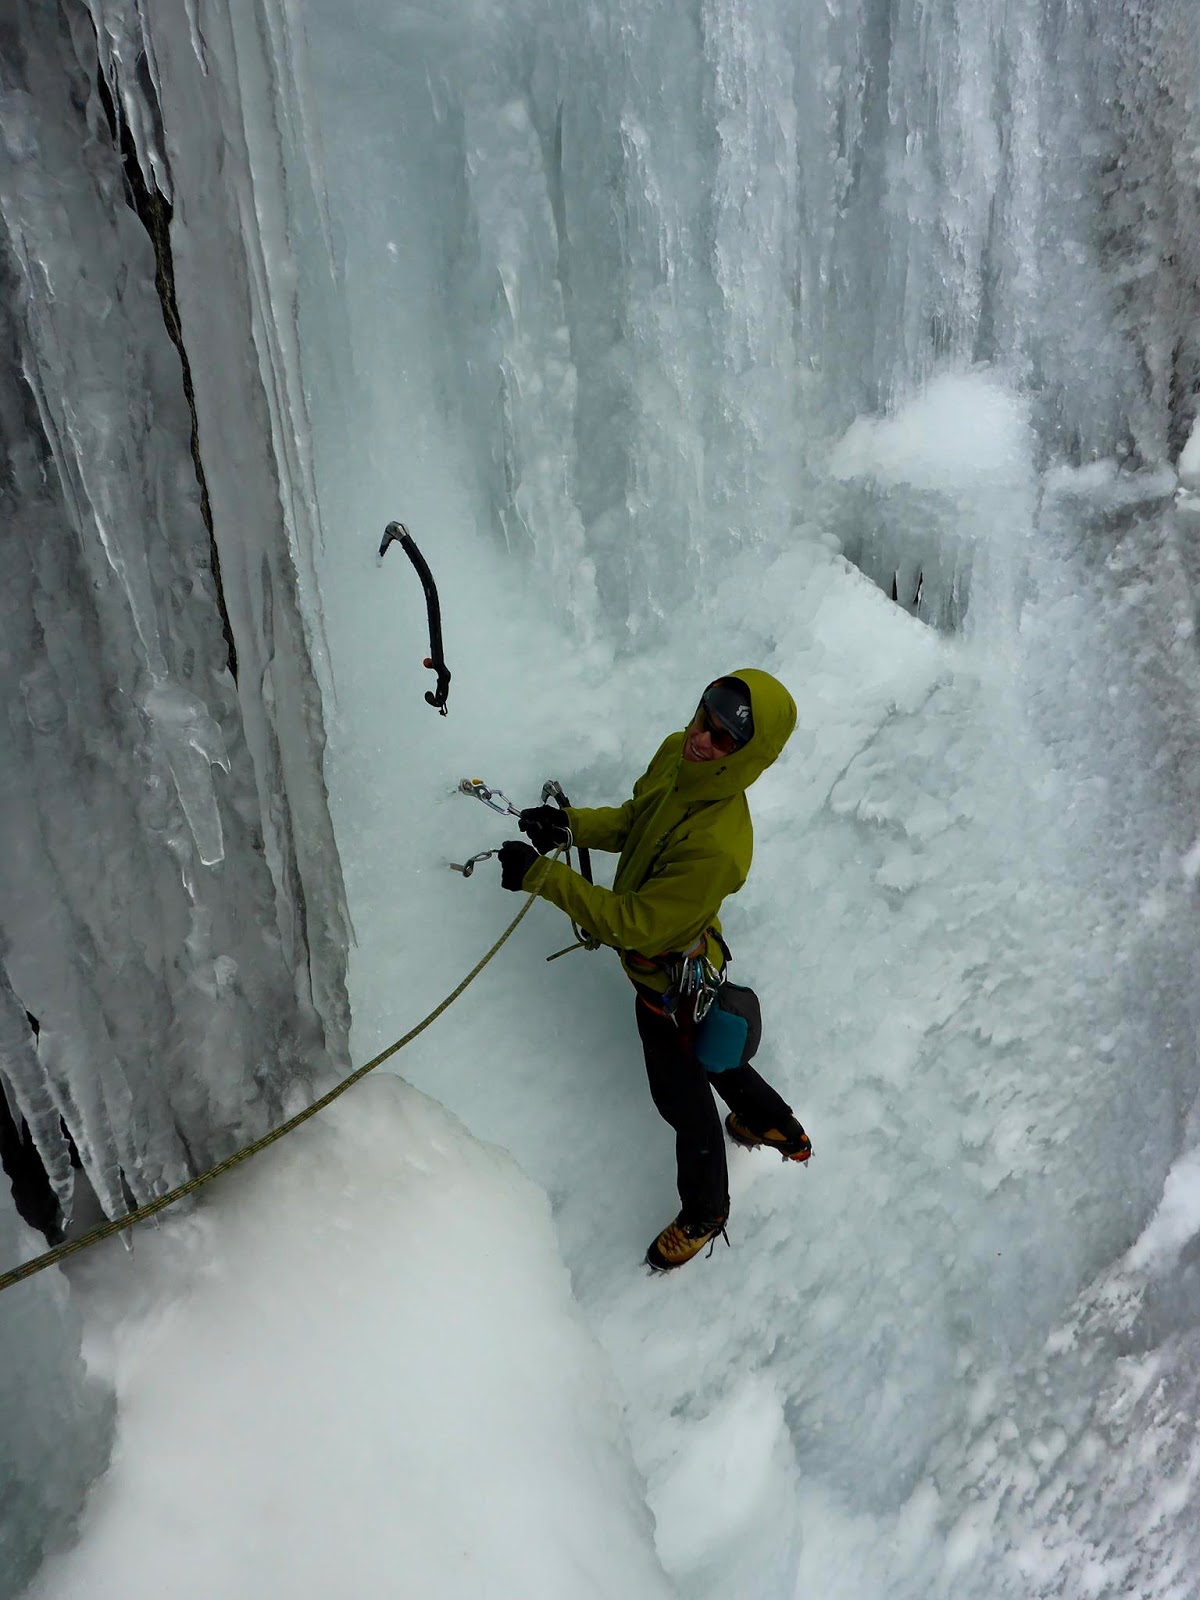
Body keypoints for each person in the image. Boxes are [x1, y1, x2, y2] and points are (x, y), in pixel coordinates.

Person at [497, 670, 811, 1272]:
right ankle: (776, 1126)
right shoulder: (676, 754)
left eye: (723, 740)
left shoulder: (720, 846)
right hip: (678, 978)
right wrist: (573, 826)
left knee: (683, 1103)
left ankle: (706, 1212)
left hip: (666, 980)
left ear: (748, 758)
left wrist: (541, 876)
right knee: (708, 1052)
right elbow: (637, 821)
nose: (702, 740)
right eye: (704, 720)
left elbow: (635, 924)